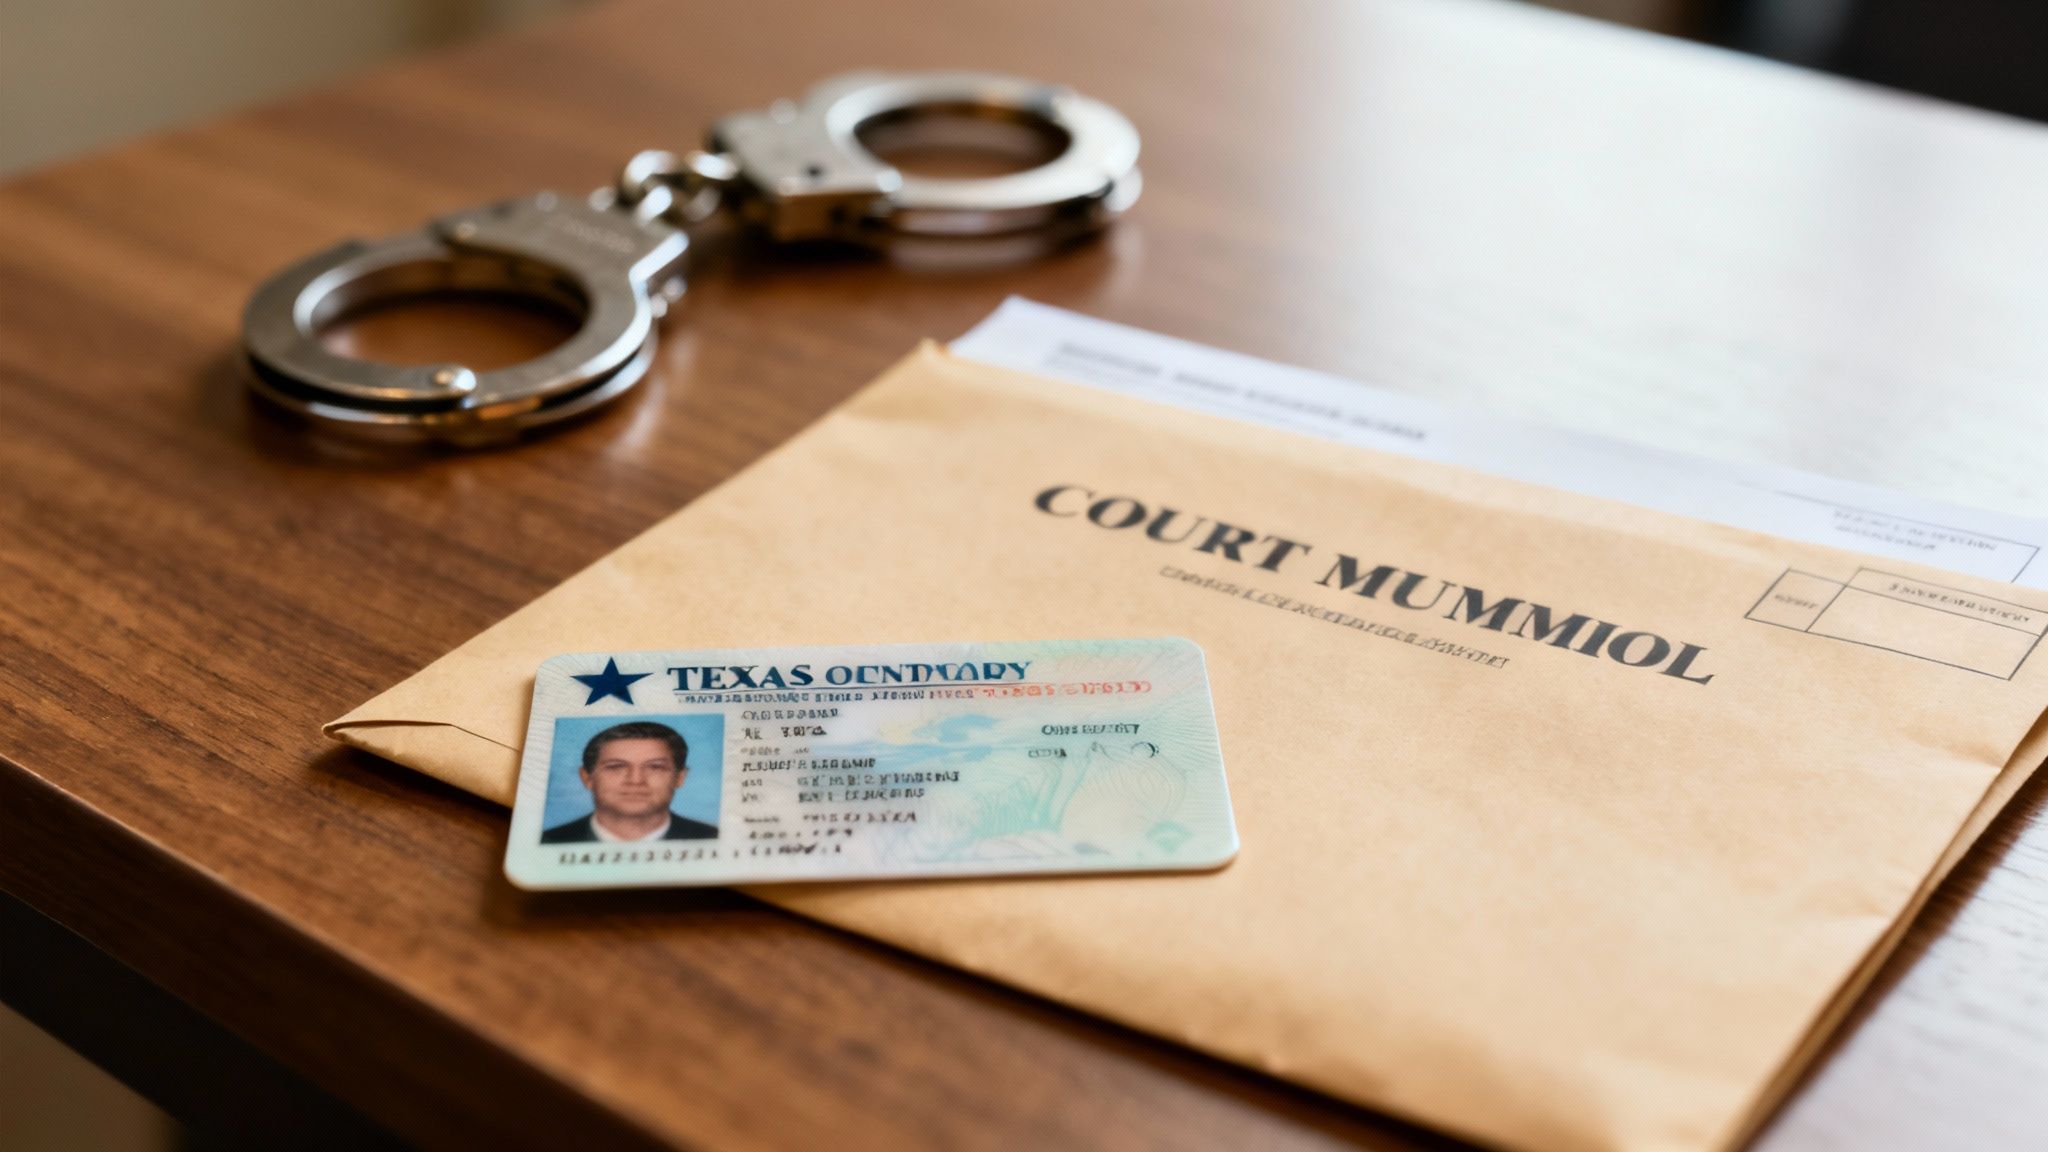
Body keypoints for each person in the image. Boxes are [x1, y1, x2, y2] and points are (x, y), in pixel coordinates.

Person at [541, 721, 717, 843]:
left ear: (680, 777)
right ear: (587, 778)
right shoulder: (548, 842)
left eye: (655, 767)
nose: (635, 781)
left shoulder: (713, 839)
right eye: (616, 767)